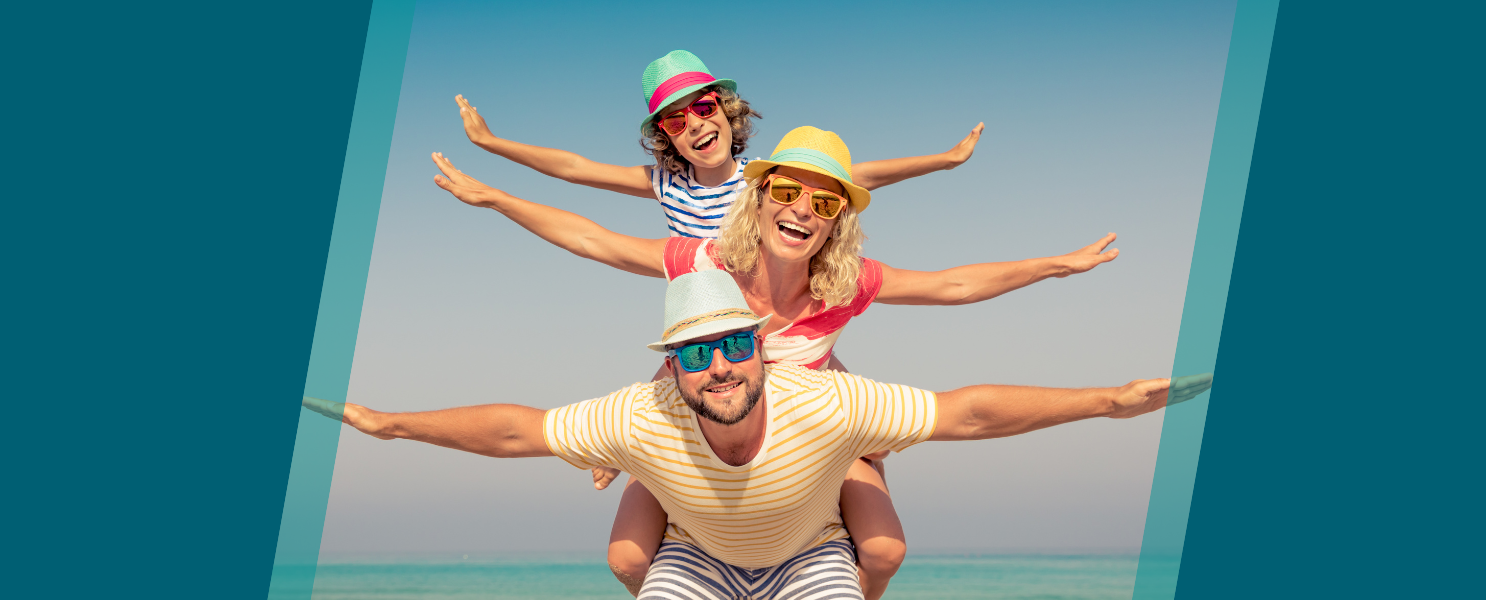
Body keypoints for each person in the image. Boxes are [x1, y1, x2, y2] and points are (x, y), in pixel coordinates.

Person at [431, 125, 1123, 598]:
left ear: (835, 222)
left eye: (822, 202)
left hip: (812, 438)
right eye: (786, 192)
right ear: (759, 198)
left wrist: (1055, 265)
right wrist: (493, 196)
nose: (801, 210)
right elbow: (592, 240)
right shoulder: (704, 262)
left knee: (884, 552)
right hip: (702, 431)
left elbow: (954, 284)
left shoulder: (844, 284)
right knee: (625, 558)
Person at [304, 270, 1210, 600]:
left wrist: (1108, 400)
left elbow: (965, 411)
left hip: (807, 555)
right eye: (696, 355)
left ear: (762, 349)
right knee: (633, 571)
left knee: (875, 558)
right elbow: (517, 431)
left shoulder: (825, 405)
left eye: (735, 344)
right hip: (699, 559)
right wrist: (390, 426)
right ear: (674, 367)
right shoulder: (643, 413)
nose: (721, 367)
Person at [453, 49, 983, 239]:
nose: (695, 126)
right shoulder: (666, 185)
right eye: (676, 122)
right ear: (666, 138)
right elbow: (574, 168)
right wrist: (494, 144)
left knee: (866, 437)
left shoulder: (763, 179)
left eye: (704, 110)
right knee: (659, 401)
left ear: (727, 115)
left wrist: (945, 160)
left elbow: (859, 174)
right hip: (706, 316)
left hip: (774, 311)